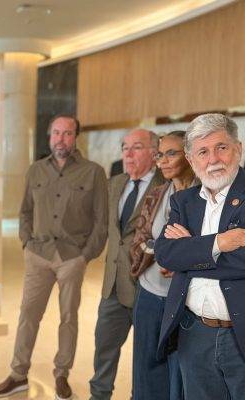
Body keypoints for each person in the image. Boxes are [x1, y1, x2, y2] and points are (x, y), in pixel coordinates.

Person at [0, 115, 108, 399]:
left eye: (67, 133)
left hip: (72, 257)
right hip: (38, 255)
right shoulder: (36, 170)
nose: (61, 139)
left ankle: (62, 374)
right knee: (28, 314)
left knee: (68, 317)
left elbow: (101, 221)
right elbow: (25, 211)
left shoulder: (93, 172)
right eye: (56, 133)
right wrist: (26, 243)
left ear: (75, 137)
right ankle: (18, 374)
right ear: (49, 136)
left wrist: (85, 256)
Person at [155, 113, 245, 399]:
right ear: (191, 160)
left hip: (240, 333)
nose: (213, 159)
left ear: (238, 148)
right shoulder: (184, 201)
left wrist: (190, 253)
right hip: (194, 332)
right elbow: (166, 254)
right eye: (203, 152)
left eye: (222, 147)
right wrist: (219, 242)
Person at [89, 128, 164, 400]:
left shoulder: (166, 185)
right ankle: (99, 396)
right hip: (112, 286)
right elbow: (105, 228)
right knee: (104, 348)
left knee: (146, 355)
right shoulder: (115, 183)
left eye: (137, 147)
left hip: (148, 286)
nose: (128, 154)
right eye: (125, 148)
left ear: (154, 153)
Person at [130, 131, 196, 400]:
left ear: (189, 156)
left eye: (171, 153)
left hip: (184, 300)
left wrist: (181, 263)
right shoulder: (156, 194)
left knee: (178, 372)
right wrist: (161, 253)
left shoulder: (206, 196)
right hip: (149, 293)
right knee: (145, 367)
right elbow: (140, 239)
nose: (163, 161)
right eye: (159, 155)